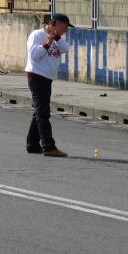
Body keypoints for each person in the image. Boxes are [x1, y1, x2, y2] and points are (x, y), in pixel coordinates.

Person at [25, 13, 74, 157]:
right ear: (57, 24)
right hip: (37, 76)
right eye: (64, 27)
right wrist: (48, 41)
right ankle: (48, 146)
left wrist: (56, 37)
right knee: (43, 113)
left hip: (47, 78)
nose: (66, 30)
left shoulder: (59, 39)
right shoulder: (37, 35)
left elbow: (66, 48)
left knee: (39, 112)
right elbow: (34, 54)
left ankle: (32, 145)